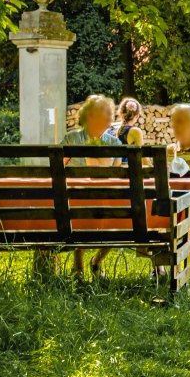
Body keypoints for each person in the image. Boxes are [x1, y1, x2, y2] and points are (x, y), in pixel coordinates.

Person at [64, 95, 122, 281]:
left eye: (109, 113)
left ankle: (95, 261)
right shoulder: (72, 139)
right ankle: (78, 264)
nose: (108, 117)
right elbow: (58, 169)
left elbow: (117, 178)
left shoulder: (115, 143)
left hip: (105, 200)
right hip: (75, 200)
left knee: (116, 216)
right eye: (103, 113)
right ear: (89, 116)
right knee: (81, 210)